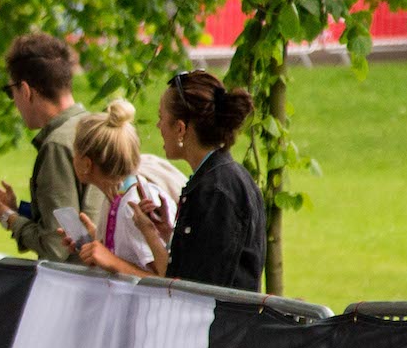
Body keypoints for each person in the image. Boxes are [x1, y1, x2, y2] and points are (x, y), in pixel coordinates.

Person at [0, 32, 88, 261]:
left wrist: (6, 217)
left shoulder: (57, 145)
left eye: (10, 91)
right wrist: (18, 210)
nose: (14, 101)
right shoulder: (94, 126)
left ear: (25, 91)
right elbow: (76, 225)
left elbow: (57, 246)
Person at [136, 70, 265, 292]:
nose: (158, 127)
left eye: (161, 118)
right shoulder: (220, 178)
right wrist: (169, 234)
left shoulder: (215, 191)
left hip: (220, 325)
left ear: (180, 128)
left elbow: (193, 288)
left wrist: (148, 232)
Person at [58, 99, 176, 278]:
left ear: (86, 164)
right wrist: (95, 241)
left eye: (75, 152)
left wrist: (112, 261)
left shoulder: (135, 205)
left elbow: (165, 280)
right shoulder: (115, 198)